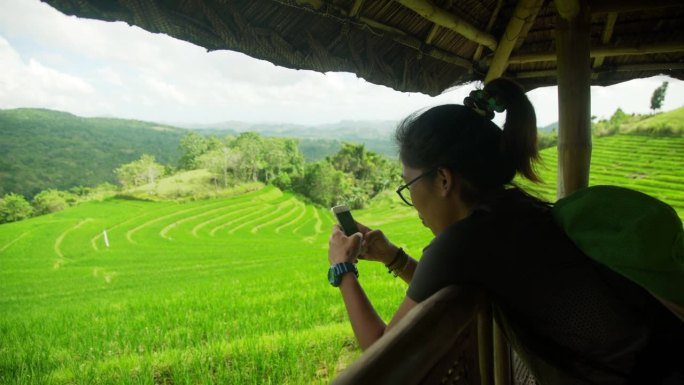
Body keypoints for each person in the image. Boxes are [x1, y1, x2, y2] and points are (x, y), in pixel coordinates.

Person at [327, 78, 684, 384]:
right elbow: (447, 282)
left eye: (409, 185)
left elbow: (383, 351)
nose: (412, 201)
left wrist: (343, 270)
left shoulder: (464, 241)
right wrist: (394, 257)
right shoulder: (514, 210)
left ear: (443, 179)